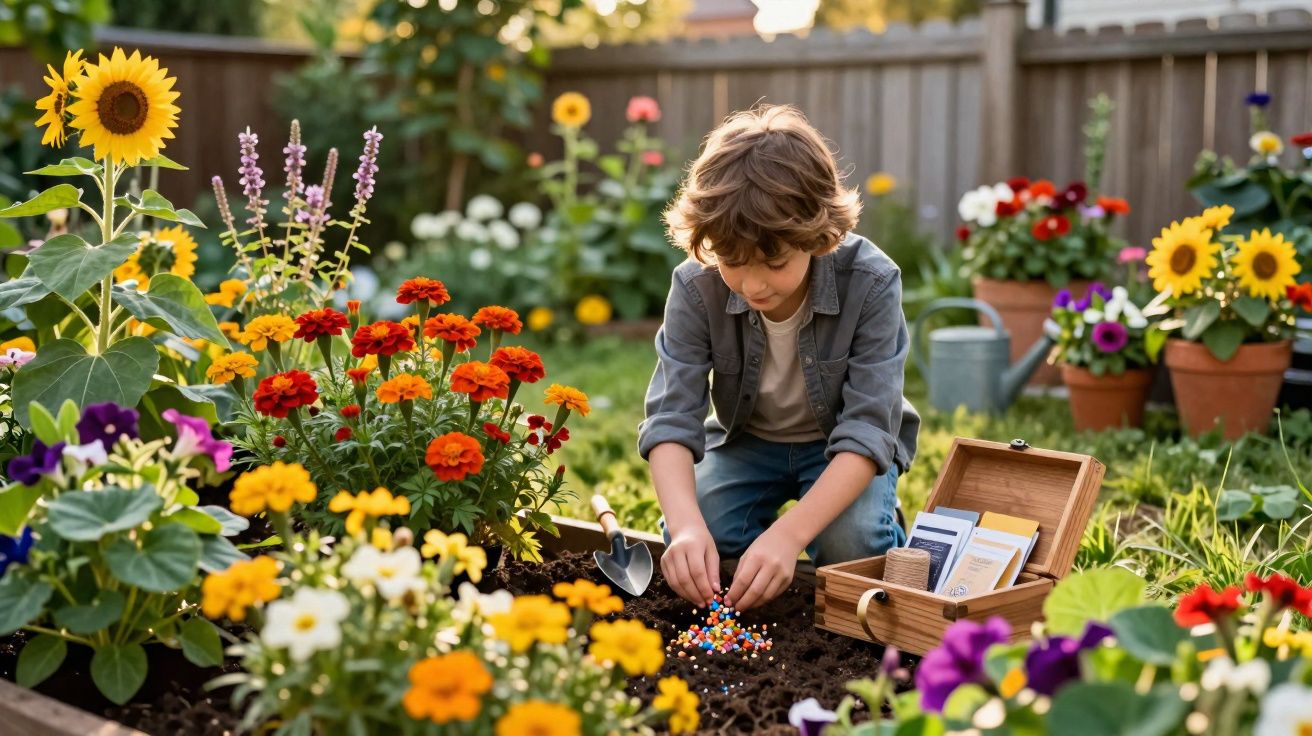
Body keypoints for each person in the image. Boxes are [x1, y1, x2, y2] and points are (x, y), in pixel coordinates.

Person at [637, 105, 919, 611]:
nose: (753, 284)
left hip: (842, 449)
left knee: (850, 546)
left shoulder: (873, 283)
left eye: (774, 262)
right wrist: (684, 529)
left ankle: (876, 516)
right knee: (704, 533)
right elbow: (670, 420)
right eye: (732, 263)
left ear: (821, 236)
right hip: (747, 442)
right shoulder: (694, 287)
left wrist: (788, 538)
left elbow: (869, 428)